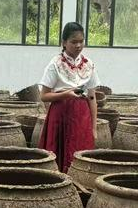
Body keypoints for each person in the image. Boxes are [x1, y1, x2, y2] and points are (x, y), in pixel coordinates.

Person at [37, 22, 99, 172]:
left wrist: (94, 128)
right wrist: (65, 94)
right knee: (58, 154)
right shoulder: (55, 64)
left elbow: (92, 97)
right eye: (74, 42)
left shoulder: (88, 64)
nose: (78, 45)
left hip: (82, 116)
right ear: (64, 43)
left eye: (81, 41)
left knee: (80, 155)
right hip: (60, 115)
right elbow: (44, 95)